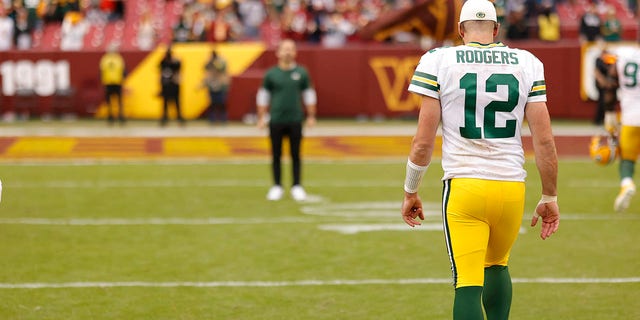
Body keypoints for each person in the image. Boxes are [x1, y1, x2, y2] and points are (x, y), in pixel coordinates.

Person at [401, 1, 560, 319]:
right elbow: (544, 140)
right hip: (512, 187)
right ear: (496, 30)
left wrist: (410, 190)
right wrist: (550, 195)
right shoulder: (526, 62)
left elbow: (423, 142)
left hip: (466, 186)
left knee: (468, 282)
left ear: (460, 31)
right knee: (498, 265)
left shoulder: (438, 60)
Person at [256, 39, 317, 201]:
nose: (288, 52)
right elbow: (263, 96)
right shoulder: (271, 74)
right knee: (276, 154)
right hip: (276, 119)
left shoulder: (302, 72)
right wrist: (261, 117)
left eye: (291, 49)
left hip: (295, 118)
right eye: (285, 49)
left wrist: (311, 115)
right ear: (278, 52)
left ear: (295, 52)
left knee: (296, 154)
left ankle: (296, 186)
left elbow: (309, 94)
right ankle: (277, 186)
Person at [607, 45, 640, 212]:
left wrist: (609, 113)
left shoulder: (623, 54)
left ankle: (626, 184)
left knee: (627, 159)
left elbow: (611, 84)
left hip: (630, 118)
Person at [100, 43, 127, 124]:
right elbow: (102, 71)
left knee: (119, 101)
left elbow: (123, 70)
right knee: (109, 101)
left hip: (117, 82)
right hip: (108, 82)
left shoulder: (118, 59)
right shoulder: (105, 59)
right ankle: (110, 116)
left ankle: (121, 116)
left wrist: (123, 78)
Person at [202, 50, 230, 124]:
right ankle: (212, 119)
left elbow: (221, 69)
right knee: (212, 103)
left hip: (220, 85)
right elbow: (205, 67)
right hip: (212, 84)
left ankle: (223, 119)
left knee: (221, 103)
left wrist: (215, 62)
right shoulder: (209, 63)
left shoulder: (221, 62)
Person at [159, 46, 184, 126]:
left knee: (176, 102)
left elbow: (179, 68)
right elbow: (161, 72)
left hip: (174, 85)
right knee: (165, 103)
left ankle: (179, 118)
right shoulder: (163, 62)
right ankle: (165, 118)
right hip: (166, 85)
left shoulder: (175, 62)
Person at [594, 50, 618, 125]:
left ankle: (608, 121)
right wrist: (604, 83)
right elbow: (597, 73)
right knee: (604, 102)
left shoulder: (610, 61)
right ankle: (599, 120)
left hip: (609, 85)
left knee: (610, 103)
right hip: (603, 85)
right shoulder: (599, 61)